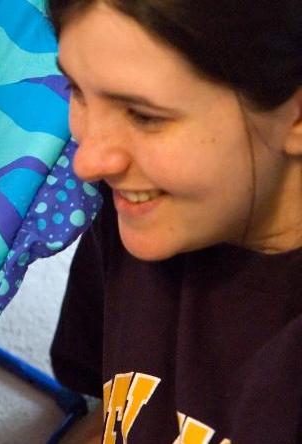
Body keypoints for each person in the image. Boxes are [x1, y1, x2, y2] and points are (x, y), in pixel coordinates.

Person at [46, 0, 302, 442]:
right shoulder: (139, 209)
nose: (88, 162)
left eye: (145, 116)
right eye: (78, 90)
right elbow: (114, 415)